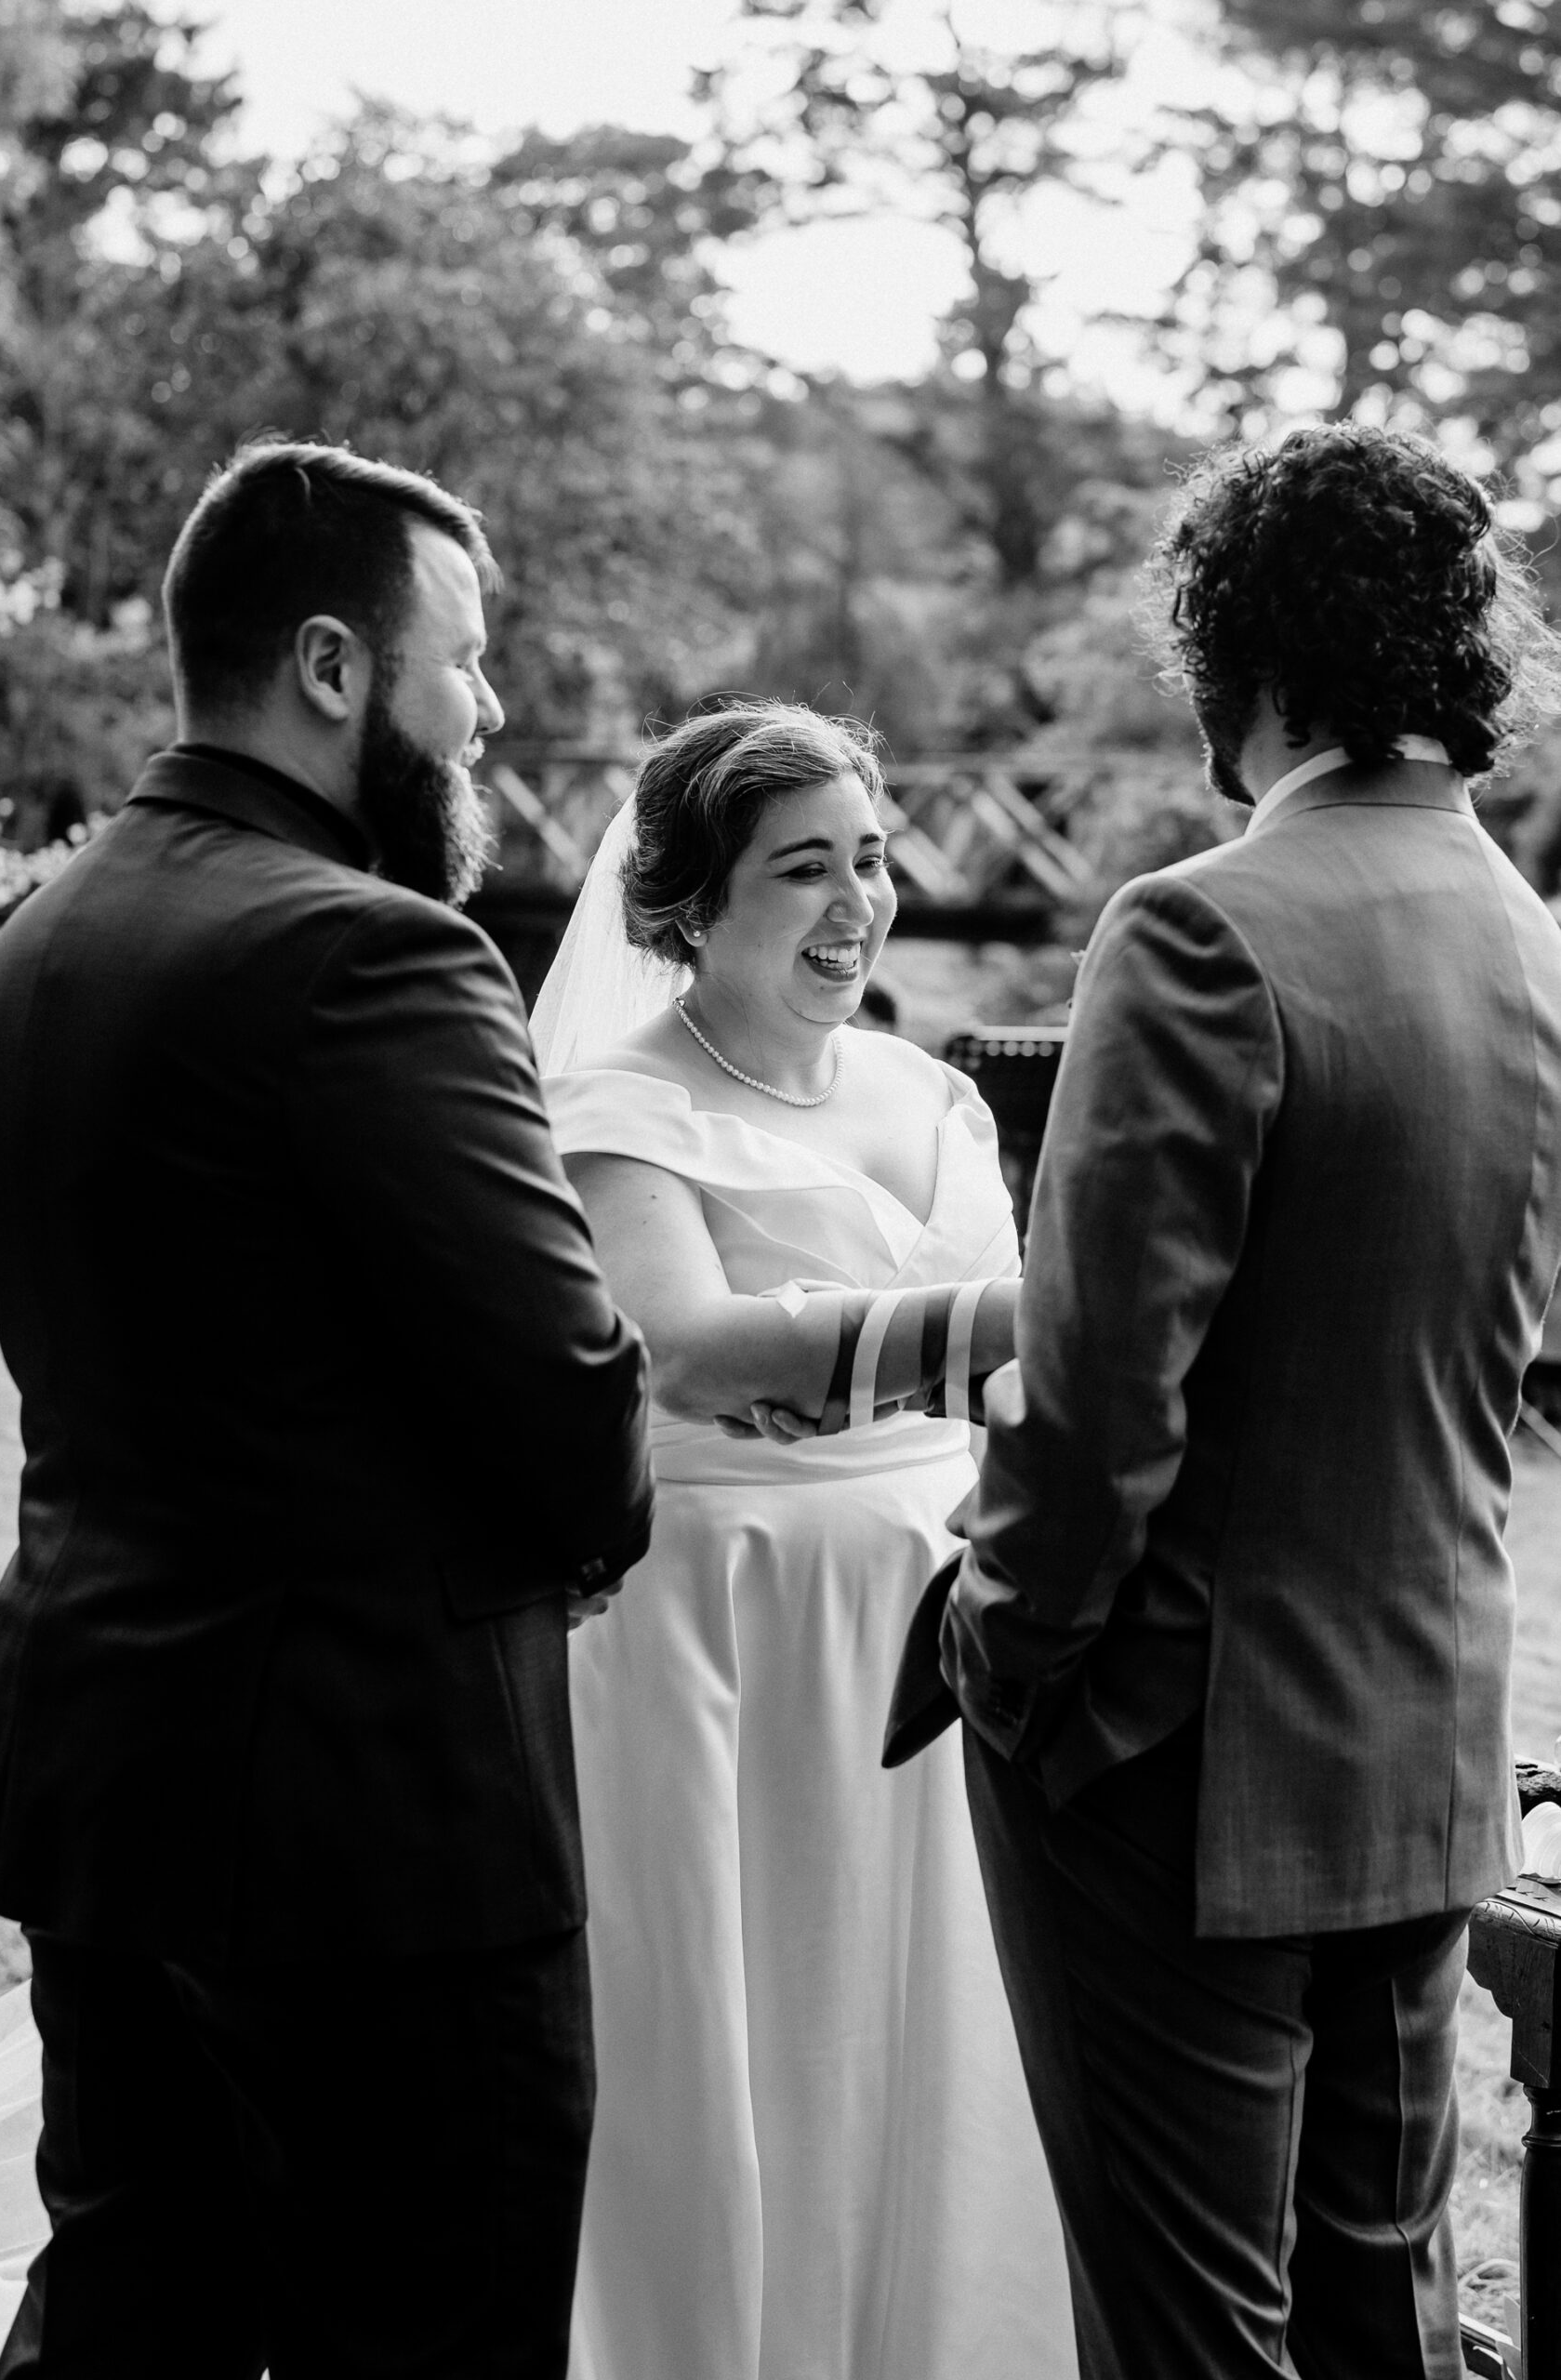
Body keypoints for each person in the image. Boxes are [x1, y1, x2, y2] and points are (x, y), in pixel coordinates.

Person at [888, 422, 1561, 2379]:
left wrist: (1003, 1654)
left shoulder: (1195, 926)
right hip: (1425, 1727)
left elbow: (1095, 1407)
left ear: (1233, 652)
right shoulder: (1529, 947)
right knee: (1380, 2308)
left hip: (1171, 1757)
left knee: (1187, 2331)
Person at [0, 439, 653, 2377]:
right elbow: (564, 1384)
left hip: (113, 1768)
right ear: (337, 668)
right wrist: (586, 1533)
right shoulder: (375, 951)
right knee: (435, 2321)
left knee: (131, 2300)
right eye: (468, 658)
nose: (490, 708)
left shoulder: (42, 935)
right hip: (377, 1817)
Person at [530, 700, 1078, 2380]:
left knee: (924, 2030)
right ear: (691, 900)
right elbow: (688, 1344)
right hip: (718, 1617)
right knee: (733, 2025)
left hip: (935, 1618)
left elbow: (1001, 1395)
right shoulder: (613, 1102)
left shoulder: (935, 1093)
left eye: (872, 862)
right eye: (804, 871)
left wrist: (855, 1352)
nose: (858, 906)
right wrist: (1022, 1307)